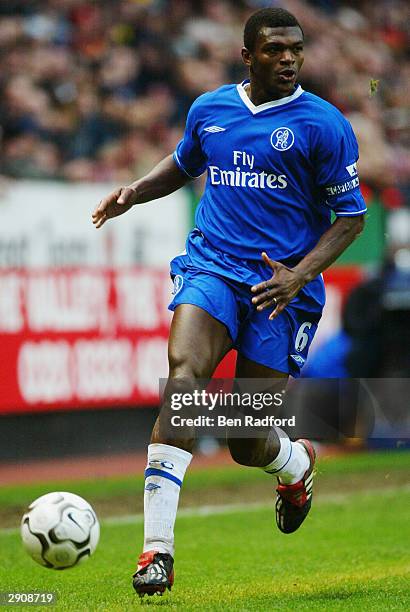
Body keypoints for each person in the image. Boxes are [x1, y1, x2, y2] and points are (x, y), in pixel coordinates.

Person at [92, 7, 366, 598]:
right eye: (274, 49)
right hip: (213, 265)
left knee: (247, 443)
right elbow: (186, 162)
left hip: (280, 291)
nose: (288, 57)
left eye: (295, 48)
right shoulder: (211, 109)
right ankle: (156, 553)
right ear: (248, 56)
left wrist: (298, 276)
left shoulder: (324, 125)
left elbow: (351, 218)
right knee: (185, 380)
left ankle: (294, 466)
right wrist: (136, 191)